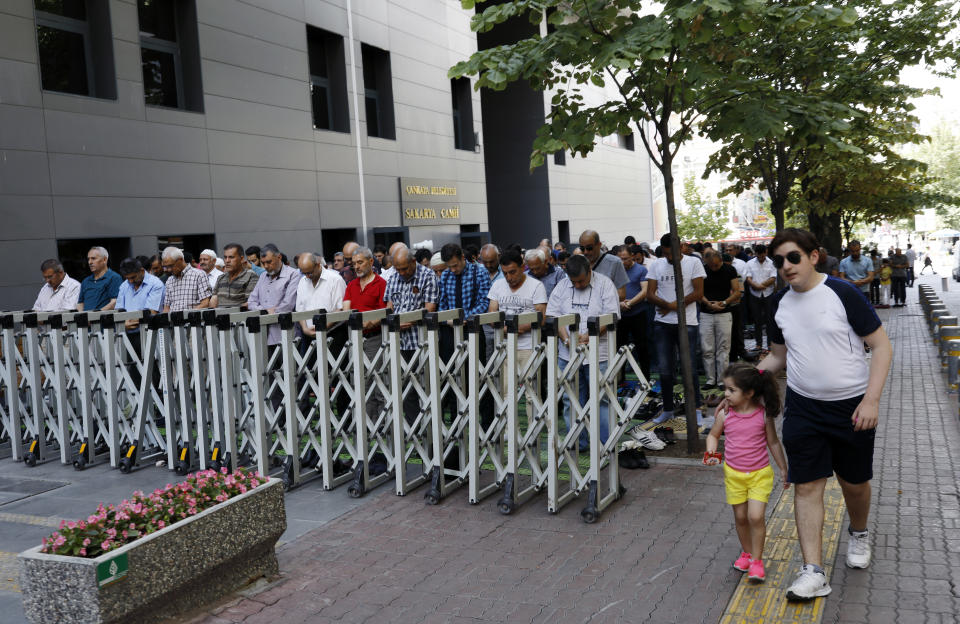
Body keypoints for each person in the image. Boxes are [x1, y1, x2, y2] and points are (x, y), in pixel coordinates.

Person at [744, 228, 891, 601]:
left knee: (853, 483)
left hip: (851, 407)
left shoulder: (843, 293)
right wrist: (747, 381)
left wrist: (871, 400)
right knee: (807, 486)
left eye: (793, 257)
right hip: (804, 407)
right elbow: (779, 354)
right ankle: (813, 570)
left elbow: (881, 346)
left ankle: (858, 532)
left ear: (813, 256)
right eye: (779, 262)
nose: (785, 267)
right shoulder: (780, 304)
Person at [704, 363, 789, 583]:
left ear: (749, 393)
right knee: (741, 517)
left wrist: (782, 467)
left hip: (760, 474)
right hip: (733, 475)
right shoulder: (725, 415)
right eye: (726, 388)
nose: (725, 394)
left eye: (731, 390)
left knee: (755, 516)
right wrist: (711, 449)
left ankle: (757, 561)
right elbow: (713, 435)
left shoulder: (762, 416)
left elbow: (773, 442)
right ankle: (747, 553)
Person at [547, 254, 619, 450]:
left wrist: (588, 336)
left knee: (602, 400)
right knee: (571, 399)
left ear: (590, 272)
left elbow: (611, 316)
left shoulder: (605, 284)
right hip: (567, 354)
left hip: (599, 353)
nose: (577, 285)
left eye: (581, 281)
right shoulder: (562, 286)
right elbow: (554, 315)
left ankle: (605, 443)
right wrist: (566, 338)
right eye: (574, 282)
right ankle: (578, 442)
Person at [645, 233, 706, 426]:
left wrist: (672, 305)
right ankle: (668, 409)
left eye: (672, 253)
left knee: (689, 369)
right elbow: (649, 294)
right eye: (665, 254)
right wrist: (670, 305)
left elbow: (698, 293)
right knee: (664, 370)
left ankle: (695, 408)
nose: (669, 258)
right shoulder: (656, 264)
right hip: (662, 323)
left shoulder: (693, 263)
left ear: (681, 247)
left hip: (687, 322)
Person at [384, 247, 438, 423]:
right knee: (405, 389)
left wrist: (410, 320)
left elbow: (430, 307)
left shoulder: (428, 276)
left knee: (427, 387)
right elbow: (389, 306)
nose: (401, 272)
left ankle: (431, 431)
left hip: (421, 340)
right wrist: (394, 320)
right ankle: (414, 429)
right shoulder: (392, 278)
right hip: (399, 342)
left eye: (404, 268)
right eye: (397, 269)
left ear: (413, 262)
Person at [342, 246, 388, 419]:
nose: (357, 267)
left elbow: (383, 312)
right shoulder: (351, 285)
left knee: (378, 381)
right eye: (354, 264)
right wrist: (359, 321)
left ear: (370, 262)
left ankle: (382, 424)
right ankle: (366, 424)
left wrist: (367, 322)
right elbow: (346, 310)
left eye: (360, 262)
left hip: (374, 338)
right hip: (354, 337)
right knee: (359, 383)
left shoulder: (381, 283)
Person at [488, 249, 546, 375]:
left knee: (530, 391)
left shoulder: (536, 285)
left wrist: (519, 328)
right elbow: (492, 313)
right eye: (505, 273)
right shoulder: (497, 285)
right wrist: (505, 329)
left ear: (523, 267)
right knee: (507, 391)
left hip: (529, 347)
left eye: (512, 272)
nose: (509, 277)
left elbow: (541, 317)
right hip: (504, 346)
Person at [700, 249, 741, 390]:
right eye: (710, 265)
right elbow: (697, 291)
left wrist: (723, 303)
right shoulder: (702, 270)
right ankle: (710, 379)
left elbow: (737, 291)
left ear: (721, 261)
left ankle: (722, 380)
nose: (713, 268)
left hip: (724, 312)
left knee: (723, 348)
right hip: (706, 313)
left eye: (716, 265)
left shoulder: (730, 270)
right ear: (706, 262)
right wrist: (707, 303)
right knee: (707, 348)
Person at [247, 244, 300, 345]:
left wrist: (270, 311)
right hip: (262, 335)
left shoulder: (293, 274)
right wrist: (265, 311)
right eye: (263, 263)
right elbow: (251, 302)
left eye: (269, 262)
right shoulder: (263, 276)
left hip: (284, 334)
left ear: (279, 257)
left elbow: (288, 305)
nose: (266, 266)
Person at [616, 244, 650, 381]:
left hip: (638, 313)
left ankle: (645, 379)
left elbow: (645, 291)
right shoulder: (616, 271)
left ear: (632, 256)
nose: (623, 262)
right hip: (620, 315)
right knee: (619, 348)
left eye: (625, 258)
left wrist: (630, 303)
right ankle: (620, 379)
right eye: (620, 259)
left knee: (642, 347)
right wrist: (619, 303)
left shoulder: (641, 270)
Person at [295, 253, 345, 337]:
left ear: (318, 265)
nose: (307, 276)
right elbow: (300, 310)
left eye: (309, 273)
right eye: (304, 273)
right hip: (308, 334)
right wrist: (305, 328)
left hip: (332, 333)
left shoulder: (335, 279)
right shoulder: (302, 281)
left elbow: (340, 309)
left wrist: (322, 328)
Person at [744, 244, 777, 352]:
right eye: (758, 255)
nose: (761, 257)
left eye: (762, 255)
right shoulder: (749, 263)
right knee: (757, 320)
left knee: (769, 320)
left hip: (768, 293)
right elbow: (748, 277)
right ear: (756, 254)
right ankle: (758, 344)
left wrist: (761, 285)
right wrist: (755, 286)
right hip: (755, 294)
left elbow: (773, 277)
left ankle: (770, 344)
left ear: (766, 252)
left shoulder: (772, 263)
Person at [578, 230, 628, 300]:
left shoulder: (615, 262)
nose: (585, 252)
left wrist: (594, 299)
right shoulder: (578, 262)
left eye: (589, 248)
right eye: (582, 248)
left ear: (599, 245)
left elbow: (621, 295)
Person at [161, 247, 212, 312]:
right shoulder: (169, 280)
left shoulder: (199, 275)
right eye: (166, 266)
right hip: (174, 321)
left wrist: (187, 316)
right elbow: (166, 308)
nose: (168, 269)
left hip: (193, 320)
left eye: (171, 266)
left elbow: (205, 303)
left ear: (181, 260)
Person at [211, 243, 260, 309]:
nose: (227, 261)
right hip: (219, 316)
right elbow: (213, 302)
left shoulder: (251, 276)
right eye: (225, 257)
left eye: (231, 257)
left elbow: (250, 304)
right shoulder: (221, 278)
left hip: (239, 316)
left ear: (242, 259)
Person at [77, 246, 122, 311]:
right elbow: (80, 303)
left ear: (104, 260)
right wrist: (83, 318)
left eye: (93, 258)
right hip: (86, 320)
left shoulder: (114, 278)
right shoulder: (86, 281)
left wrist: (95, 316)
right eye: (88, 259)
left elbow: (114, 302)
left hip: (104, 319)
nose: (90, 262)